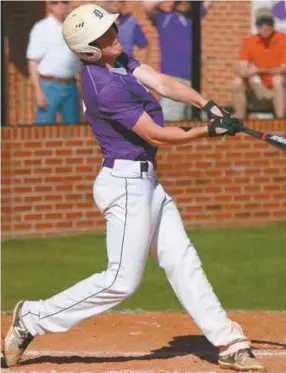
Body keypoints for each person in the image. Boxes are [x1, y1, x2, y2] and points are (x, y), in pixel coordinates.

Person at [3, 5, 264, 373]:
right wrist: (209, 131)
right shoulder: (103, 85)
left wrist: (207, 105)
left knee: (182, 260)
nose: (115, 34)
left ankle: (230, 342)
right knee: (121, 281)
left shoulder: (120, 61)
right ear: (89, 49)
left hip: (146, 182)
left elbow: (162, 82)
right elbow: (157, 135)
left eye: (111, 28)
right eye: (106, 34)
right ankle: (32, 317)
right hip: (125, 185)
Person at [144, 1, 213, 121]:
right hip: (172, 81)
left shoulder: (193, 17)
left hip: (194, 81)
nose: (185, 4)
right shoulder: (163, 18)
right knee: (169, 121)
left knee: (199, 123)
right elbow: (147, 4)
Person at [26, 0, 82, 125]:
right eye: (55, 2)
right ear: (49, 6)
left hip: (71, 86)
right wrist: (38, 91)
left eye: (64, 2)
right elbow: (33, 61)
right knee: (43, 130)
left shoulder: (74, 28)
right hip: (48, 86)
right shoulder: (41, 28)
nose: (60, 5)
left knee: (73, 131)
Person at [231, 7, 286, 119]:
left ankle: (280, 123)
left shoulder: (282, 39)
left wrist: (258, 70)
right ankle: (238, 124)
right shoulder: (250, 41)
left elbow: (284, 69)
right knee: (237, 82)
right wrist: (246, 72)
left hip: (277, 87)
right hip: (257, 87)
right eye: (261, 23)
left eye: (268, 23)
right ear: (256, 25)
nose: (265, 27)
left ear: (273, 24)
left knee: (278, 79)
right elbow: (242, 67)